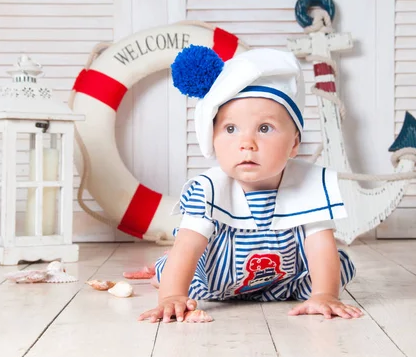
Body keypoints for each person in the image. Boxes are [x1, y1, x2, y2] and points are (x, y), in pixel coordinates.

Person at [139, 46, 362, 323]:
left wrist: (325, 293)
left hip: (284, 282)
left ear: (294, 143)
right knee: (178, 267)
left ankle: (317, 293)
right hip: (214, 283)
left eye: (264, 128)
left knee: (336, 265)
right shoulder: (209, 189)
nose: (247, 143)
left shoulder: (309, 184)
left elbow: (319, 243)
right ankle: (164, 271)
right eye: (231, 129)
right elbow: (188, 245)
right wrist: (172, 296)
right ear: (213, 138)